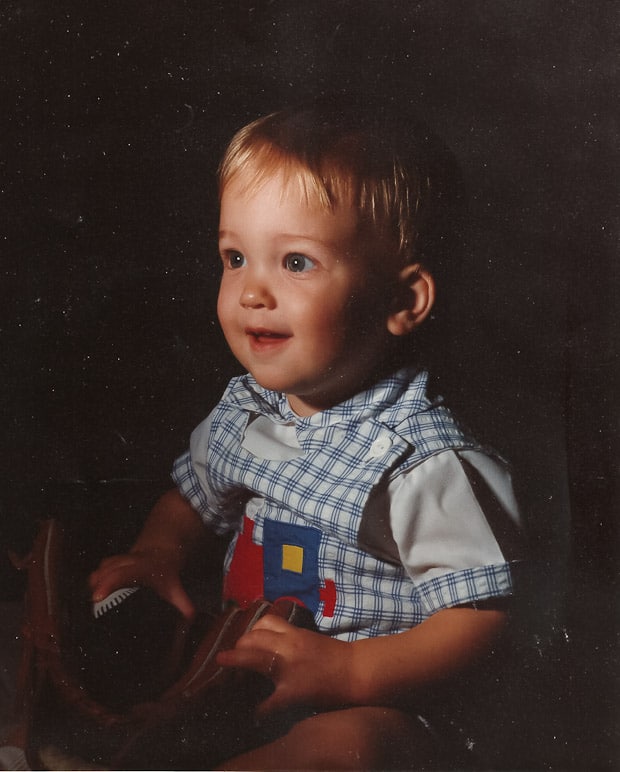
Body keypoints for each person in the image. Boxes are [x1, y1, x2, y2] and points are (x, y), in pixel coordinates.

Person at [89, 100, 523, 770]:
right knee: (139, 696)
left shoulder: (420, 461)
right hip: (253, 674)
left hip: (384, 702)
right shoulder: (248, 410)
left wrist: (354, 673)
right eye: (235, 257)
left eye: (295, 263)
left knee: (347, 746)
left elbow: (482, 619)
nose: (252, 292)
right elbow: (189, 498)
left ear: (403, 302)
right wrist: (157, 552)